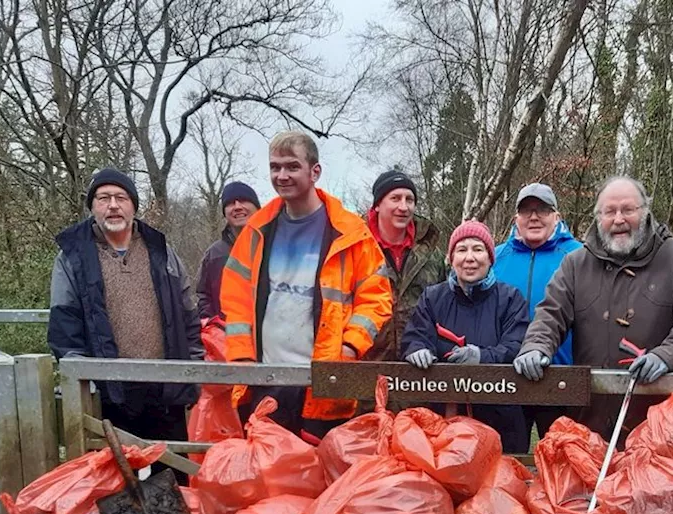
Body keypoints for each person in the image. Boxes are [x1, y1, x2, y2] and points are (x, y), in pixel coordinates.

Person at [220, 131, 393, 437]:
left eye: (291, 166)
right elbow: (235, 299)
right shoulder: (257, 230)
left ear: (315, 172)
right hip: (267, 377)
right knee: (270, 475)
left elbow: (376, 297)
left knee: (320, 477)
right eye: (275, 167)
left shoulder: (351, 232)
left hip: (326, 380)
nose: (282, 175)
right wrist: (242, 358)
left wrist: (349, 347)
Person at [513, 177, 673, 438]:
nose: (619, 219)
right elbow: (550, 314)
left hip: (658, 423)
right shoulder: (576, 264)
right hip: (590, 420)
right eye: (609, 211)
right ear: (598, 217)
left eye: (628, 210)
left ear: (645, 211)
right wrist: (536, 346)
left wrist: (666, 355)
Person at [48, 167, 203, 441]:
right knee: (114, 476)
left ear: (133, 206)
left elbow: (187, 313)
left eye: (121, 197)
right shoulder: (73, 256)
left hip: (164, 384)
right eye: (103, 198)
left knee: (171, 473)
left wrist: (192, 369)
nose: (113, 206)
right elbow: (64, 324)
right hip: (108, 390)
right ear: (92, 207)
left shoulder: (161, 250)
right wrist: (84, 380)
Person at [402, 221, 530, 454]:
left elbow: (516, 345)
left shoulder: (510, 299)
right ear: (451, 259)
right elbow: (415, 334)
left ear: (491, 258)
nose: (470, 258)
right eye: (462, 250)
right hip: (443, 424)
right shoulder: (432, 297)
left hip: (500, 423)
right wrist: (417, 348)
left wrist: (482, 356)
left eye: (478, 249)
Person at [493, 182, 582, 438]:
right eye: (526, 210)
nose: (534, 217)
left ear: (556, 216)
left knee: (563, 463)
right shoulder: (494, 258)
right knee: (506, 462)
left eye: (542, 209)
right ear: (516, 219)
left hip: (563, 378)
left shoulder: (578, 256)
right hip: (506, 379)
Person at [363, 169, 446, 363]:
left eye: (409, 200)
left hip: (421, 368)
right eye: (395, 198)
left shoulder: (432, 254)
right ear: (377, 205)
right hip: (366, 365)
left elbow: (443, 309)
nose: (404, 207)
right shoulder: (358, 247)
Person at [196, 181, 260, 320]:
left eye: (243, 201)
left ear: (257, 208)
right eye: (231, 203)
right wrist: (210, 323)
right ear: (224, 213)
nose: (237, 207)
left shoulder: (276, 247)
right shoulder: (214, 254)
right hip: (228, 337)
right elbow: (203, 296)